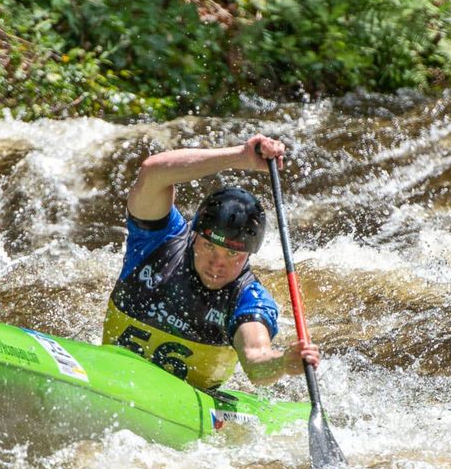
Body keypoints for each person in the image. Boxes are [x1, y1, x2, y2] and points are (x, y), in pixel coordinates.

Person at [102, 134, 320, 390]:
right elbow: (153, 172)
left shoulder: (248, 298)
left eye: (232, 255)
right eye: (209, 247)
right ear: (194, 235)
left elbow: (255, 361)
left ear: (249, 255)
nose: (217, 264)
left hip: (183, 405)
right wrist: (240, 157)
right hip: (108, 373)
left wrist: (283, 362)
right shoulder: (159, 242)